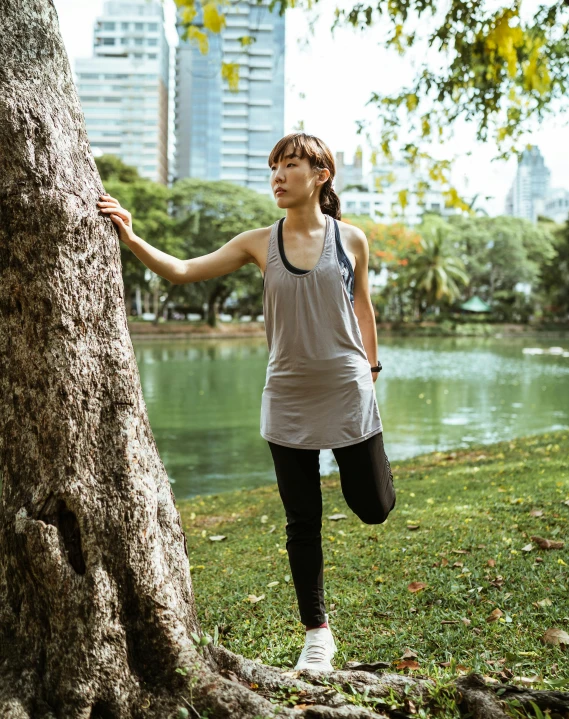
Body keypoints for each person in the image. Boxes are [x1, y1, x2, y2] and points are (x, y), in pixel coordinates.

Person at [96, 131, 396, 673]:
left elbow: (363, 306)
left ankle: (372, 473)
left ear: (321, 175)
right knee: (302, 520)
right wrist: (132, 239)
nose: (278, 176)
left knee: (374, 508)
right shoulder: (259, 242)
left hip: (349, 389)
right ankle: (317, 636)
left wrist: (371, 371)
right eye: (274, 167)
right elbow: (185, 269)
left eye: (290, 165)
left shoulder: (352, 240)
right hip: (287, 394)